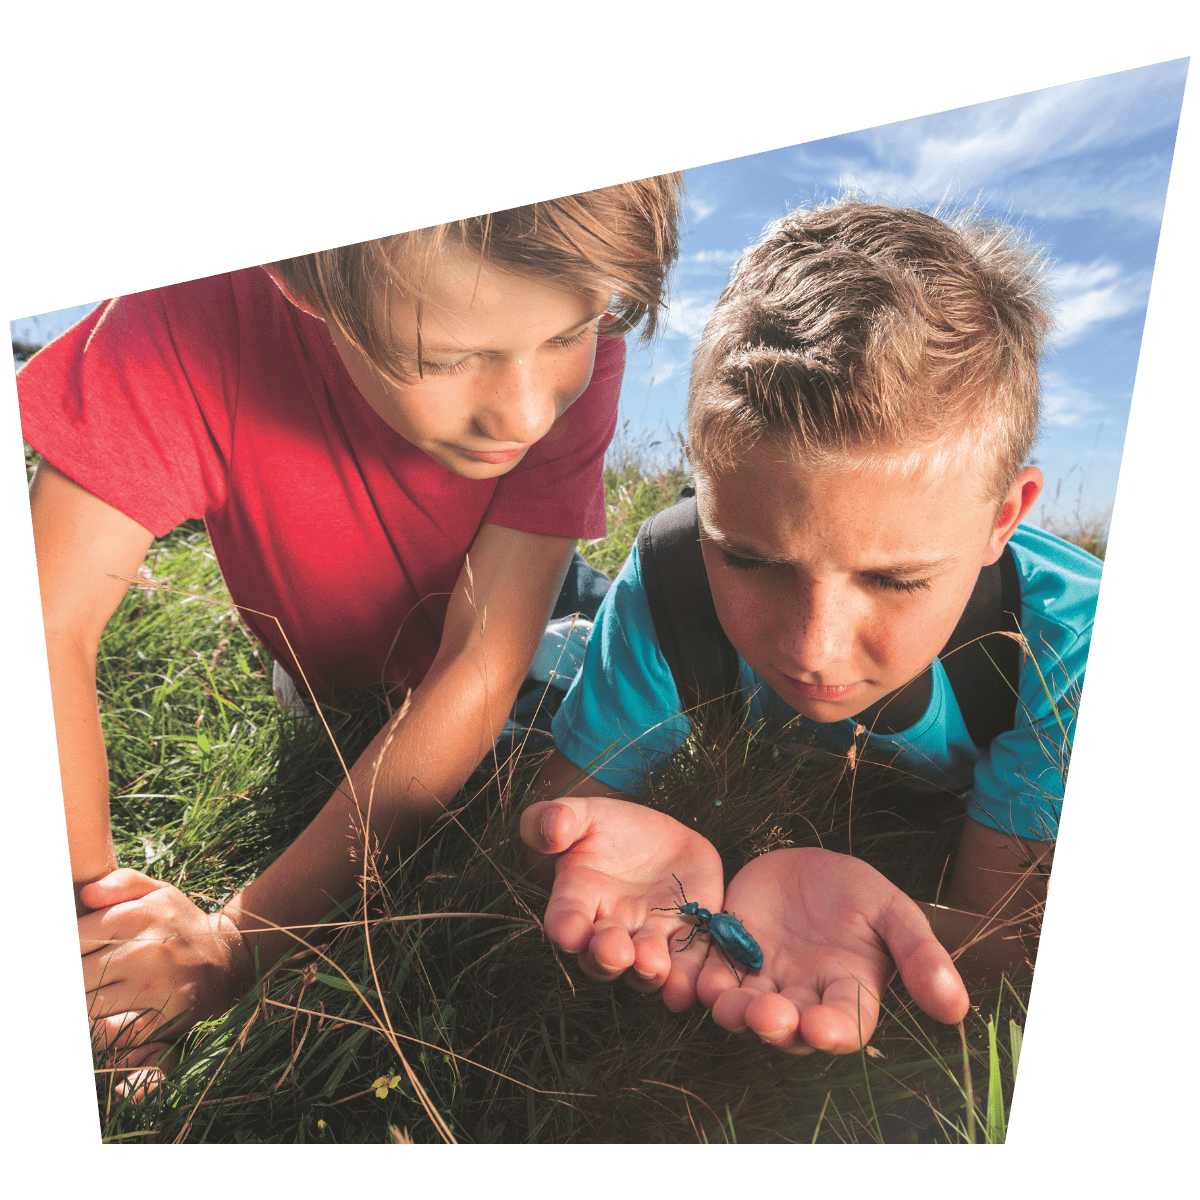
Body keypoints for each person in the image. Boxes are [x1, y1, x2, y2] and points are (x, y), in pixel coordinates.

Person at [18, 175, 684, 1085]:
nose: (528, 414)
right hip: (335, 668)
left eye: (572, 334)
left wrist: (235, 944)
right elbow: (45, 626)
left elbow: (480, 665)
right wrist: (99, 964)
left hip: (532, 628)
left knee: (595, 752)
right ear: (305, 281)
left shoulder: (566, 318)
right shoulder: (185, 308)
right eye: (448, 357)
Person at [520, 198, 1102, 1057]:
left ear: (1003, 518)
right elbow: (556, 824)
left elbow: (1007, 937)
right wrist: (577, 845)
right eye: (750, 560)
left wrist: (873, 895)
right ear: (703, 487)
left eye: (895, 579)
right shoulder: (674, 581)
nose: (813, 649)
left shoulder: (1069, 648)